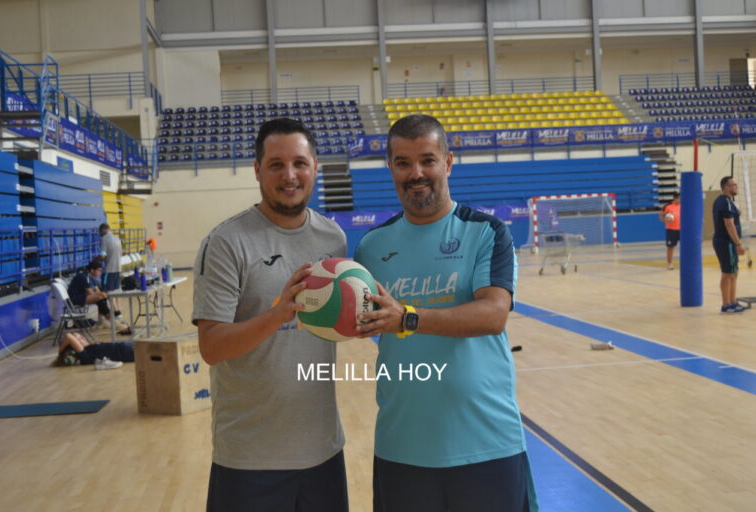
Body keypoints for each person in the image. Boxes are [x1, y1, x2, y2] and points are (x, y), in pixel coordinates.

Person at [354, 114, 538, 511]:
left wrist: (407, 318)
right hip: (403, 446)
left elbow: (493, 314)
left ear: (448, 162)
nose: (415, 173)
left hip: (487, 444)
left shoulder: (486, 232)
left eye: (427, 160)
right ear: (390, 168)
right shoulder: (371, 246)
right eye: (403, 162)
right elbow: (357, 319)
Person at [192, 118, 349, 512]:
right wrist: (276, 314)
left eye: (299, 163)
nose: (289, 175)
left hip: (323, 452)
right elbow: (211, 347)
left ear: (315, 167)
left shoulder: (334, 239)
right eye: (276, 164)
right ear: (257, 170)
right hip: (250, 460)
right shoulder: (227, 242)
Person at [712, 176, 747, 313]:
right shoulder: (725, 201)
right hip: (726, 242)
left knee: (734, 272)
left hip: (728, 242)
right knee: (727, 273)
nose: (735, 187)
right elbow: (729, 223)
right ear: (726, 187)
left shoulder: (727, 202)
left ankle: (732, 302)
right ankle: (726, 305)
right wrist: (738, 243)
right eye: (733, 185)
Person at [67, 260, 131, 334]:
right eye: (99, 270)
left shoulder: (90, 277)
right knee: (99, 298)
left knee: (102, 296)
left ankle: (102, 321)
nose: (100, 272)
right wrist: (103, 295)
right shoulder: (83, 277)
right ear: (92, 270)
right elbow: (91, 294)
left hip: (81, 297)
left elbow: (98, 291)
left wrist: (106, 295)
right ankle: (113, 322)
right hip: (74, 299)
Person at [53, 332, 134, 369]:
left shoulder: (89, 349)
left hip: (126, 346)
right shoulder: (85, 355)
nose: (83, 338)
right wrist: (60, 352)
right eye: (79, 339)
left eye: (81, 336)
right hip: (126, 351)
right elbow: (68, 336)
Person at [99, 223, 123, 317]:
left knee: (107, 291)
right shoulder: (117, 239)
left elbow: (103, 255)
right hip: (118, 268)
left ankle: (116, 312)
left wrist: (96, 259)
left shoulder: (104, 239)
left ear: (103, 230)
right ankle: (118, 309)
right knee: (116, 290)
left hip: (109, 269)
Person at [660, 192, 681, 270]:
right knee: (671, 247)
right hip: (671, 230)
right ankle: (670, 264)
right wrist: (666, 219)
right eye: (679, 198)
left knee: (685, 247)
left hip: (681, 229)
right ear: (675, 198)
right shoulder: (667, 206)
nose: (680, 200)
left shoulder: (682, 206)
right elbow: (661, 216)